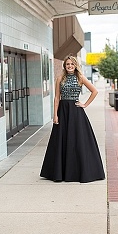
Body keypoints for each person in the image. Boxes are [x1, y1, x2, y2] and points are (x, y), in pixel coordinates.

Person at [40, 55, 105, 183]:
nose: (69, 66)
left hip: (76, 113)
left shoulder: (80, 77)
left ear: (75, 66)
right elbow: (57, 98)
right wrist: (55, 115)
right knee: (61, 141)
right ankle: (60, 172)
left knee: (78, 141)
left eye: (72, 64)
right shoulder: (60, 78)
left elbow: (94, 91)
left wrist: (85, 104)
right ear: (65, 66)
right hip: (63, 112)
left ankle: (79, 172)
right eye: (67, 64)